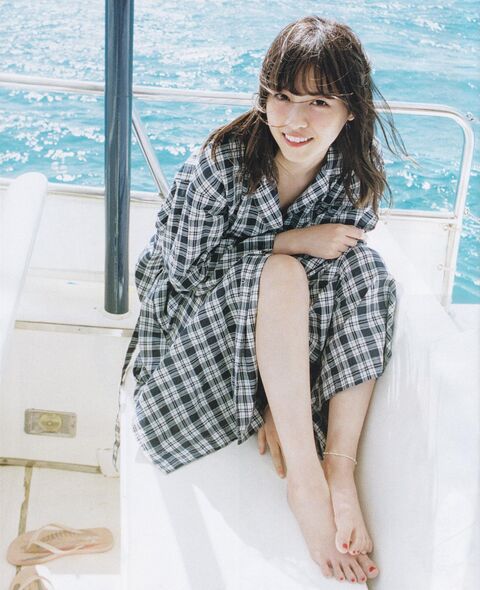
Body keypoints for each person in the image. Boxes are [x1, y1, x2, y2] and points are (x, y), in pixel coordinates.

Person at [123, 15, 405, 584]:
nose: (295, 121)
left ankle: (338, 469)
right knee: (280, 272)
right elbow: (180, 274)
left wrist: (296, 255)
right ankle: (305, 478)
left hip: (280, 326)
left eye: (319, 102)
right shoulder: (219, 165)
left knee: (368, 272)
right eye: (283, 97)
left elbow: (336, 272)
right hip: (192, 327)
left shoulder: (350, 174)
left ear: (350, 110)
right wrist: (289, 241)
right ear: (265, 97)